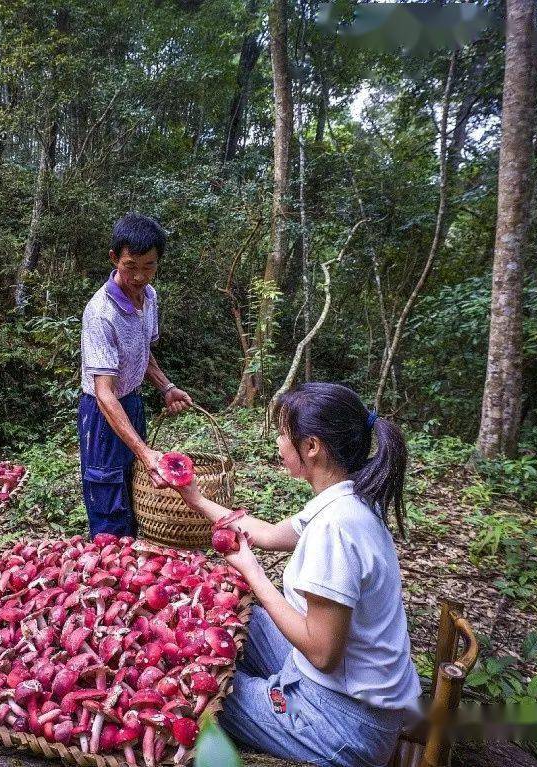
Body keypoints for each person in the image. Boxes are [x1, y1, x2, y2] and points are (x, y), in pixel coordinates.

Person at [176, 382, 420, 767]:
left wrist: (252, 571)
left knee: (192, 686)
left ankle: (271, 704)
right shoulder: (346, 497)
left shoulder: (335, 530)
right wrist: (193, 495)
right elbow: (269, 534)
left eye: (283, 434)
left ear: (312, 447)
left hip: (343, 722)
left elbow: (322, 652)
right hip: (343, 688)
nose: (277, 442)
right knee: (240, 620)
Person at [78, 212, 194, 538]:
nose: (139, 276)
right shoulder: (101, 313)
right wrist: (145, 452)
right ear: (115, 258)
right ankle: (107, 565)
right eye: (131, 266)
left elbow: (144, 350)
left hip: (132, 403)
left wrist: (166, 386)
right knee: (108, 491)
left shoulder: (150, 297)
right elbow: (103, 393)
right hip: (102, 414)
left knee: (133, 487)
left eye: (149, 266)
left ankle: (131, 562)